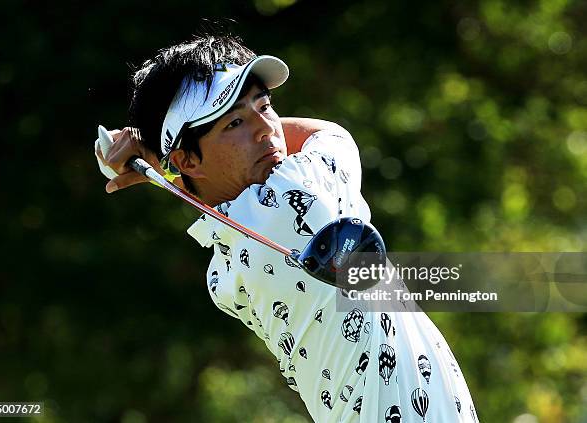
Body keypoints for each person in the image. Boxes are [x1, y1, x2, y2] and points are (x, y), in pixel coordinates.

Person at [96, 33, 479, 422]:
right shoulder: (298, 191)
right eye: (235, 122)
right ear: (189, 159)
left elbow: (211, 191)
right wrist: (159, 162)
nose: (266, 128)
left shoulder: (222, 274)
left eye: (265, 106)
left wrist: (164, 164)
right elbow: (330, 135)